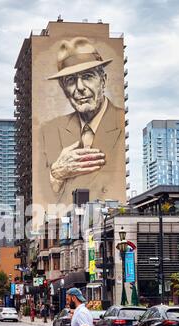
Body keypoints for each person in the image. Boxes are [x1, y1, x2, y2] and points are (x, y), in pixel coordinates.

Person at [40, 36, 125, 205]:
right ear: (64, 90)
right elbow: (45, 197)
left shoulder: (120, 122)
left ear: (103, 81)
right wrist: (56, 175)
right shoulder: (49, 130)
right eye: (71, 80)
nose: (79, 87)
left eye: (87, 76)